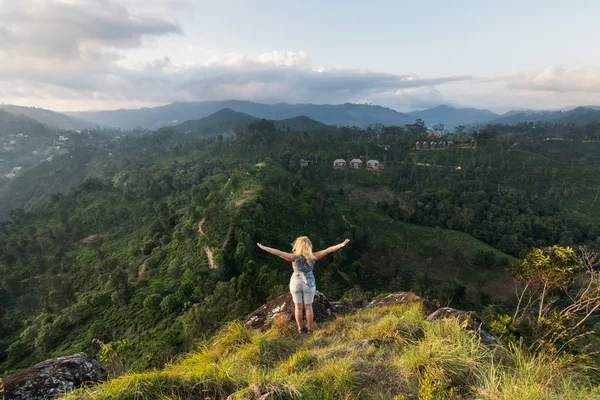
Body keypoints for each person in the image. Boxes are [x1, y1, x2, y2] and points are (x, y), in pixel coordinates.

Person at [257, 236, 350, 334]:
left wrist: (265, 248)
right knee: (309, 307)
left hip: (296, 283)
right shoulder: (313, 257)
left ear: (298, 246)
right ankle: (309, 329)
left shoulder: (293, 257)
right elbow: (327, 251)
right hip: (309, 284)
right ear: (309, 246)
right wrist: (341, 245)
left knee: (298, 307)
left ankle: (301, 329)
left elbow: (279, 252)